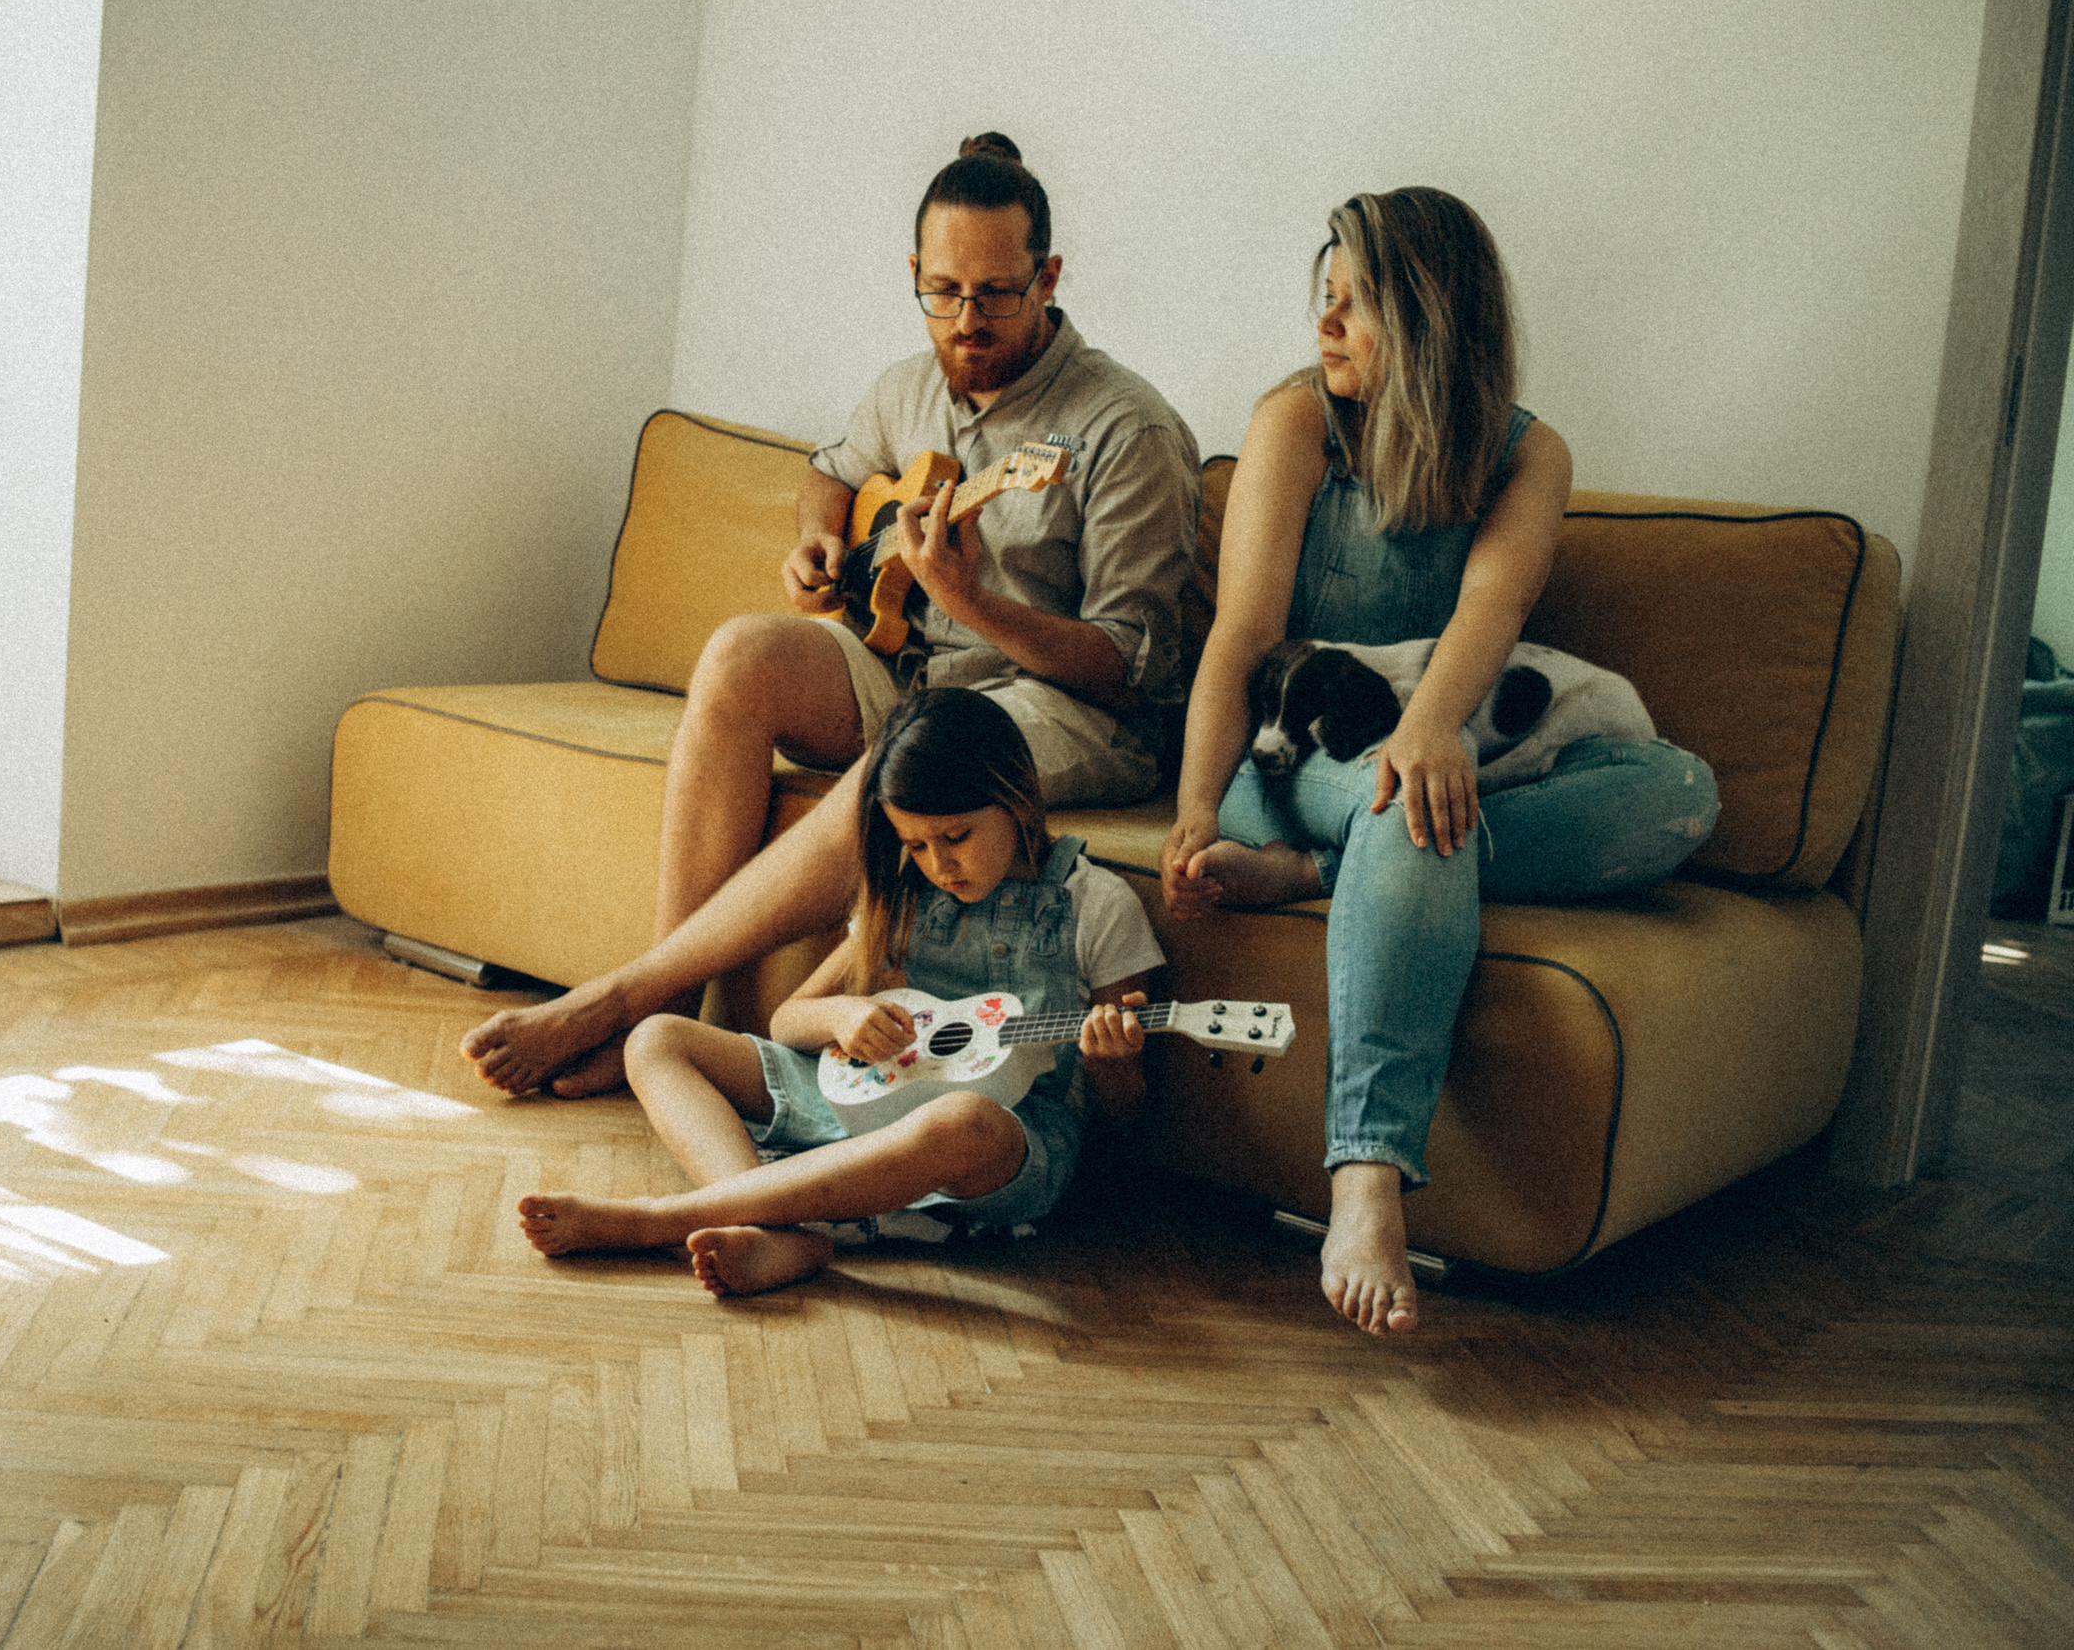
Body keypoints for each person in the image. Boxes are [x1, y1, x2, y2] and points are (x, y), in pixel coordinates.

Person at [465, 133, 1201, 1099]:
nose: (967, 319)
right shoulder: (907, 386)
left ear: (1049, 274)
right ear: (915, 276)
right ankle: (672, 1014)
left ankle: (623, 1000)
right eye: (943, 291)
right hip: (922, 672)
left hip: (1072, 711)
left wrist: (970, 599)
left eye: (996, 293)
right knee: (740, 654)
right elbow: (832, 470)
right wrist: (819, 543)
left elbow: (1130, 666)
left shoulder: (1122, 427)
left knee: (919, 755)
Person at [1159, 187, 1719, 1338]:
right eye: (1322, 300)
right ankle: (1365, 1178)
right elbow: (1242, 636)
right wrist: (1193, 809)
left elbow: (1492, 609)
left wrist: (1425, 734)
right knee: (1412, 813)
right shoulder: (1295, 424)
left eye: (1352, 307)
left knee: (1678, 796)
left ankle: (1332, 879)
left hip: (1437, 751)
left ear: (1425, 319)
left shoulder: (1528, 455)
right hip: (1295, 756)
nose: (1323, 328)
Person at [516, 687, 1163, 1294]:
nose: (939, 864)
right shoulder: (910, 893)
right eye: (915, 843)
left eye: (956, 836)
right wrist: (845, 1013)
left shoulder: (1097, 905)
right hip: (868, 1095)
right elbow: (788, 1019)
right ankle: (772, 1229)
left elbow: (1127, 1116)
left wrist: (1117, 1060)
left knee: (961, 1120)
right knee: (657, 1038)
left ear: (1018, 795)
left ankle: (659, 1218)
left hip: (999, 1140)